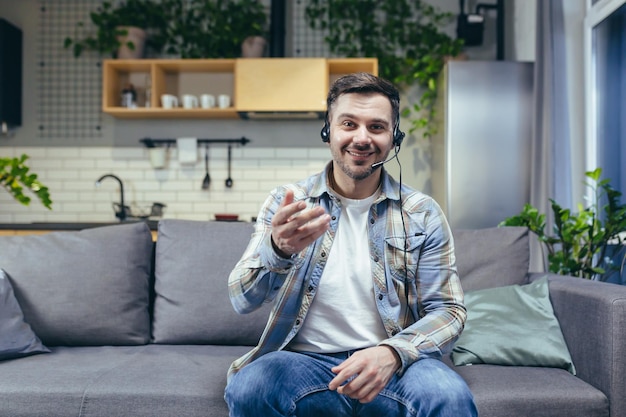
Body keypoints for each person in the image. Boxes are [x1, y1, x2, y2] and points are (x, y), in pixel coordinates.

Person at [225, 72, 477, 417]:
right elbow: (241, 299)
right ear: (328, 130)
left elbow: (449, 311)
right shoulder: (289, 203)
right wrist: (277, 249)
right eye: (349, 124)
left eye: (376, 127)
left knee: (449, 396)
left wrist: (391, 353)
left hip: (395, 365)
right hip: (304, 364)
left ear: (394, 137)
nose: (362, 138)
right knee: (251, 387)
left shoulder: (422, 213)